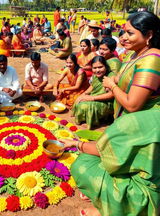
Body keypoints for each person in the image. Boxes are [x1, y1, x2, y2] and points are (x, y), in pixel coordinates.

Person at [60, 11, 160, 216]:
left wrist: (111, 86)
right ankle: (101, 196)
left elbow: (133, 105)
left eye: (130, 33)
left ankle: (112, 205)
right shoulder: (135, 54)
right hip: (128, 124)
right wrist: (111, 83)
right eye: (123, 32)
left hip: (142, 129)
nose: (123, 38)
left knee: (86, 165)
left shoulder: (152, 59)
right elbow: (122, 80)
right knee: (107, 161)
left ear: (149, 34)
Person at [73, 56, 114, 129]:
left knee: (85, 106)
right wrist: (83, 95)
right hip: (95, 97)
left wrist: (92, 98)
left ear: (106, 66)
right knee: (78, 100)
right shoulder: (95, 75)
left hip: (106, 102)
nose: (97, 70)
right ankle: (84, 119)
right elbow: (92, 86)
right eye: (94, 68)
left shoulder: (110, 76)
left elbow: (111, 94)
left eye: (100, 67)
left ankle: (94, 122)